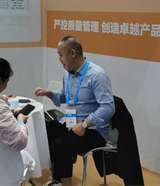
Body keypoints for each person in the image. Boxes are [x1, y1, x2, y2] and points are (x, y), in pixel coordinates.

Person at [34, 36, 114, 186]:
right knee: (47, 132)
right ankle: (56, 180)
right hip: (72, 124)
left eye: (61, 55)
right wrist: (49, 93)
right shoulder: (68, 74)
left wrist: (85, 124)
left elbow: (108, 107)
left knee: (61, 146)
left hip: (93, 130)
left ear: (72, 53)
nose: (59, 60)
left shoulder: (97, 75)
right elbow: (66, 97)